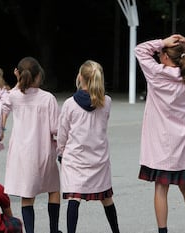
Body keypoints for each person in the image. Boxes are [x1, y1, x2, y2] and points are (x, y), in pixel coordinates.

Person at [134, 34, 185, 233]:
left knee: (161, 188)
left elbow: (140, 50)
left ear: (165, 58)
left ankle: (163, 230)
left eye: (161, 53)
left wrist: (162, 42)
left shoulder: (156, 73)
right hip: (184, 143)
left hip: (161, 145)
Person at [57, 60, 121, 233]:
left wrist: (61, 152)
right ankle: (116, 231)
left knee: (73, 198)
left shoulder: (70, 103)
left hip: (76, 158)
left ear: (80, 77)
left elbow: (63, 132)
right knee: (107, 198)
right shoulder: (106, 101)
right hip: (99, 159)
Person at [2, 57, 61, 233]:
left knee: (27, 195)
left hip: (22, 153)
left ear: (19, 75)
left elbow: (5, 103)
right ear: (39, 76)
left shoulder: (13, 96)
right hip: (43, 151)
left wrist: (17, 81)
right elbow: (55, 128)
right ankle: (53, 229)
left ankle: (29, 231)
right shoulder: (47, 98)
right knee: (54, 189)